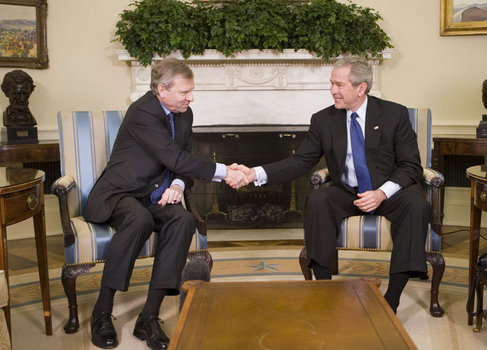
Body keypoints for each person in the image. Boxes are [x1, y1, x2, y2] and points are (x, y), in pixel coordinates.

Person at [233, 55, 431, 314]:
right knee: (317, 200)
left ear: (361, 88)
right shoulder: (323, 119)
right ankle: (323, 290)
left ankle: (391, 299)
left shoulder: (394, 114)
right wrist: (254, 174)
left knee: (417, 203)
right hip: (347, 192)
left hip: (390, 191)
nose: (332, 90)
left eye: (339, 85)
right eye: (331, 83)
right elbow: (301, 160)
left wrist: (382, 193)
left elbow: (411, 166)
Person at [84, 58, 247, 350]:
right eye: (185, 91)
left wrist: (177, 185)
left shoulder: (184, 113)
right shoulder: (142, 112)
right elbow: (175, 158)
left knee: (183, 220)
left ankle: (148, 317)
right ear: (162, 89)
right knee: (139, 220)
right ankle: (101, 312)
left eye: (191, 91)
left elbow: (183, 158)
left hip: (156, 193)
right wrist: (226, 172)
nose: (191, 97)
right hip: (122, 192)